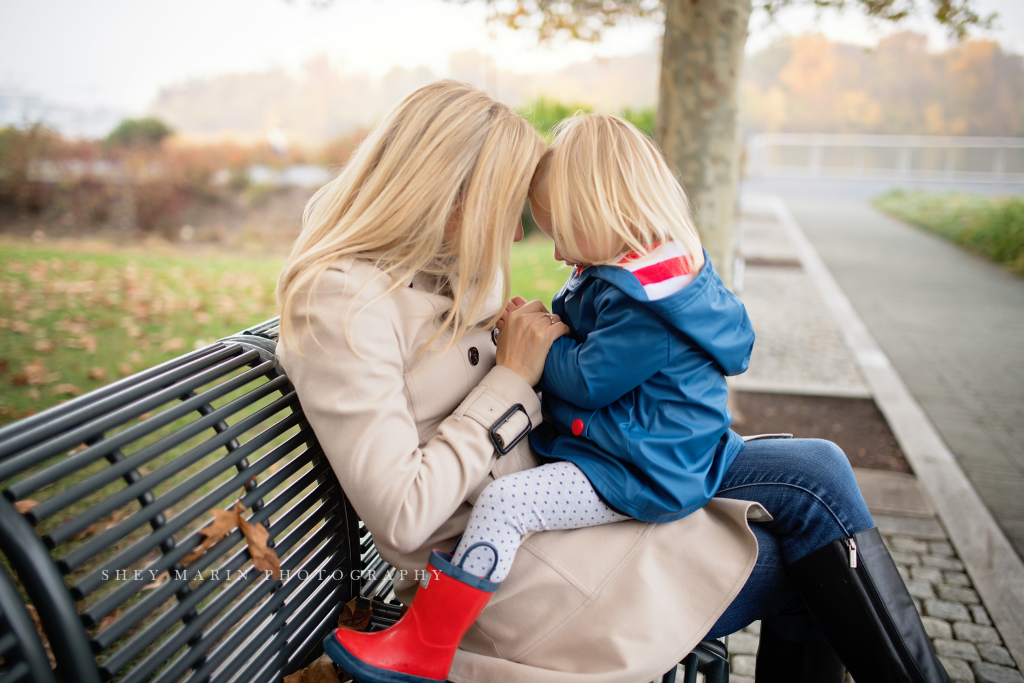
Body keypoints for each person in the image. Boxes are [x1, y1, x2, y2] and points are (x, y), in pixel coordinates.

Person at [277, 80, 948, 683]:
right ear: (448, 196)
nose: (515, 233)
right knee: (815, 564)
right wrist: (513, 374)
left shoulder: (446, 267)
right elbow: (401, 511)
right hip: (511, 574)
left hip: (570, 492)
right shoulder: (341, 302)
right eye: (507, 208)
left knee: (819, 469)